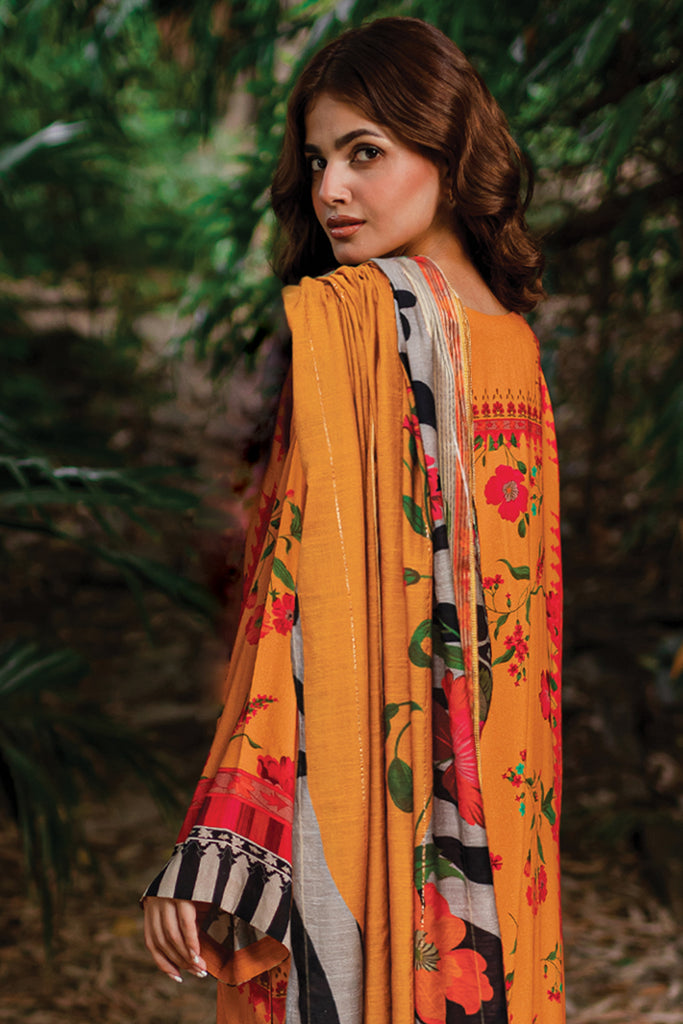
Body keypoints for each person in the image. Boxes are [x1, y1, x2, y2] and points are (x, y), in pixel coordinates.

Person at [142, 17, 564, 1024]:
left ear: (446, 152)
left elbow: (286, 610)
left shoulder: (361, 322)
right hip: (505, 857)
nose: (330, 188)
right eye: (317, 160)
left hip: (361, 821)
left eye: (364, 153)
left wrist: (223, 837)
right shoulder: (515, 348)